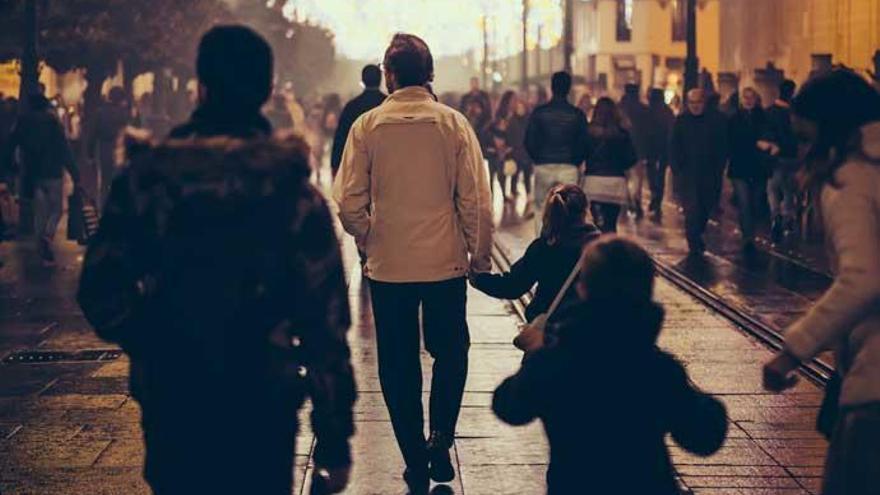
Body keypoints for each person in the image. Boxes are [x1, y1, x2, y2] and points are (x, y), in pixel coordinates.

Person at [78, 26, 356, 495]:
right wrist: (333, 439)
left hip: (174, 394)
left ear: (200, 86)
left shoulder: (148, 182)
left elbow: (101, 289)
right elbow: (325, 325)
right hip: (262, 397)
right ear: (268, 90)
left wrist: (158, 338)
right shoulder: (292, 192)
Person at [333, 33, 492, 494]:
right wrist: (476, 258)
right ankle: (440, 435)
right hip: (444, 265)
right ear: (430, 74)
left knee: (398, 364)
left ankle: (413, 459)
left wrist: (369, 237)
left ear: (389, 75)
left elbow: (347, 203)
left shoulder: (367, 126)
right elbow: (475, 201)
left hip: (389, 267)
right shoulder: (454, 124)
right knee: (451, 351)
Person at [493, 236, 728, 494]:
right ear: (647, 291)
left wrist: (540, 351)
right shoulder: (657, 369)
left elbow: (509, 406)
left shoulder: (553, 362)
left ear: (582, 289)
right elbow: (704, 436)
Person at [763, 69, 880, 495]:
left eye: (808, 138)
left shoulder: (852, 175)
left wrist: (791, 352)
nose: (804, 152)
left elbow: (864, 276)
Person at [470, 183, 600, 323]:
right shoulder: (602, 247)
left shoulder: (544, 248)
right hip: (590, 324)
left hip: (550, 327)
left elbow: (512, 286)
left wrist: (479, 279)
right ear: (586, 211)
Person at [3, 93, 80, 265]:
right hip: (52, 172)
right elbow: (64, 148)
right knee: (56, 210)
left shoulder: (23, 122)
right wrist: (74, 173)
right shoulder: (53, 122)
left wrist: (10, 166)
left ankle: (41, 246)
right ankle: (48, 236)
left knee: (40, 211)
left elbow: (11, 143)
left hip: (32, 173)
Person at [525, 71, 590, 234]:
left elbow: (529, 141)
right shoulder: (577, 114)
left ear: (551, 88)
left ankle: (541, 244)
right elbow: (584, 143)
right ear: (569, 89)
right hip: (569, 167)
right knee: (571, 209)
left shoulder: (539, 113)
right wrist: (575, 161)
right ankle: (567, 242)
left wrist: (539, 158)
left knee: (541, 207)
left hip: (544, 166)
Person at [670, 88, 729, 255]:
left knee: (705, 206)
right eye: (692, 103)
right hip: (687, 173)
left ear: (704, 103)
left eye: (698, 102)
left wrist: (719, 166)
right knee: (692, 209)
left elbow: (722, 145)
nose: (695, 106)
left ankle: (698, 232)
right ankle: (693, 240)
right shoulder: (681, 121)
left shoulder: (716, 120)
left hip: (709, 173)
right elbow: (674, 145)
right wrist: (677, 169)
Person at [727, 87, 776, 252]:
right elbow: (733, 141)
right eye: (745, 97)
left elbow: (771, 135)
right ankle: (748, 237)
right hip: (740, 167)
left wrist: (772, 146)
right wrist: (756, 143)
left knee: (755, 202)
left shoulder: (764, 117)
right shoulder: (734, 118)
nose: (748, 100)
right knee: (744, 202)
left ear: (756, 99)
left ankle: (750, 232)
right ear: (741, 99)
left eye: (751, 97)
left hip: (758, 168)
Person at [583, 97, 637, 233]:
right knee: (611, 224)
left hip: (593, 182)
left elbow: (580, 153)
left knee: (596, 223)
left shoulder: (588, 132)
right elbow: (631, 159)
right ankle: (610, 250)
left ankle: (597, 249)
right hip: (615, 183)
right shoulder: (622, 134)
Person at [330, 64, 386, 178]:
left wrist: (335, 165)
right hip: (384, 165)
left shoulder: (352, 106)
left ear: (363, 80)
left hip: (357, 166)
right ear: (381, 79)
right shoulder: (387, 104)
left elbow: (341, 137)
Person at [765, 79, 799, 243]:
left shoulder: (770, 111)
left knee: (772, 188)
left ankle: (775, 215)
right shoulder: (795, 113)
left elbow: (765, 132)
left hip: (775, 156)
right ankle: (787, 218)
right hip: (792, 156)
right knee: (789, 190)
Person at [88, 87, 131, 206]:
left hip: (104, 148)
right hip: (120, 150)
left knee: (105, 181)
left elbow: (92, 134)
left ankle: (104, 206)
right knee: (119, 180)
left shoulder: (100, 112)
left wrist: (90, 154)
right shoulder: (124, 113)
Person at [619, 84, 652, 219]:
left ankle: (627, 200)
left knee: (624, 177)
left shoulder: (619, 108)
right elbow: (649, 132)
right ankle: (636, 199)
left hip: (621, 148)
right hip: (639, 149)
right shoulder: (644, 110)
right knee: (638, 177)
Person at [645, 88, 675, 220]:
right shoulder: (667, 112)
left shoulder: (648, 111)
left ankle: (654, 196)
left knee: (652, 174)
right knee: (660, 175)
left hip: (651, 148)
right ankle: (657, 199)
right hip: (664, 148)